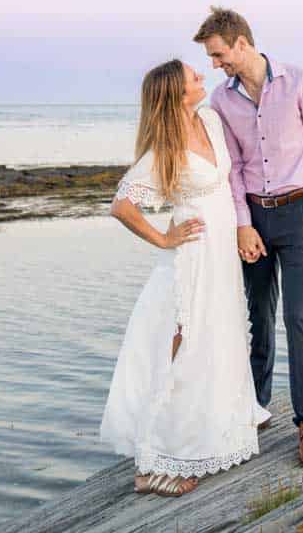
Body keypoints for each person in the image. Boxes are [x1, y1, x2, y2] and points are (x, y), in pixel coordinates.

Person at [99, 59, 270, 497]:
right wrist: (161, 238)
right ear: (176, 92)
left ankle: (213, 430)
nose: (201, 77)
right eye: (193, 76)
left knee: (217, 337)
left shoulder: (210, 119)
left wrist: (239, 230)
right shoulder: (165, 151)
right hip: (191, 255)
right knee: (183, 342)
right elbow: (122, 204)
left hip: (221, 256)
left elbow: (225, 185)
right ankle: (152, 461)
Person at [195, 7, 303, 468]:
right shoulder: (221, 102)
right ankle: (255, 409)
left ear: (240, 42)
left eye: (218, 55)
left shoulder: (299, 81)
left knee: (300, 319)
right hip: (253, 218)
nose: (216, 65)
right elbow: (232, 167)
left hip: (299, 215)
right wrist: (242, 223)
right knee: (258, 316)